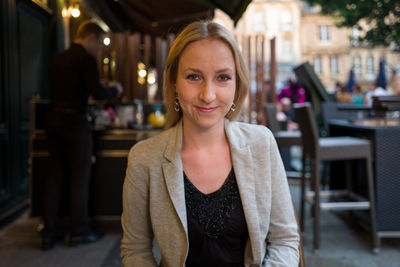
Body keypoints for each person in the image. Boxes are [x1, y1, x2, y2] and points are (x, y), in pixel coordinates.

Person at [120, 21, 299, 266]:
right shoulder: (144, 158)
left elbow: (285, 241)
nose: (208, 95)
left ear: (237, 84)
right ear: (174, 82)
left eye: (223, 77)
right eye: (194, 77)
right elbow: (135, 250)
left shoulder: (261, 144)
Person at [42, 21, 122, 250]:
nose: (99, 49)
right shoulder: (85, 59)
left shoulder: (58, 58)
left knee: (54, 177)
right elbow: (96, 92)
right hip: (74, 123)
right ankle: (79, 231)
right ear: (91, 38)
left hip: (53, 121)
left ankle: (49, 232)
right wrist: (114, 90)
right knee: (80, 177)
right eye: (99, 43)